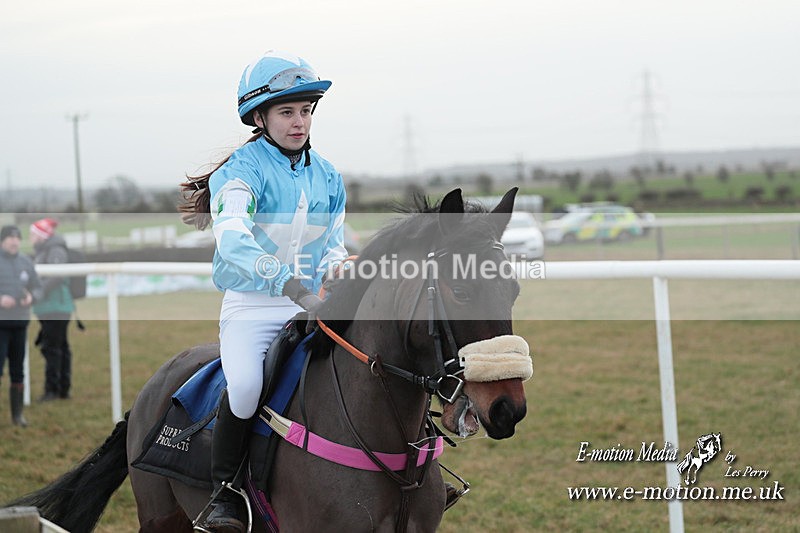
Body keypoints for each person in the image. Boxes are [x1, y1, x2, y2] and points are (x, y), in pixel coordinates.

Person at [180, 50, 347, 533]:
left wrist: (339, 269)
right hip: (252, 306)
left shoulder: (328, 176)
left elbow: (332, 245)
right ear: (259, 118)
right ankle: (225, 493)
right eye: (287, 112)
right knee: (247, 387)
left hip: (310, 301)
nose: (300, 122)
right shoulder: (239, 172)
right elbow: (234, 239)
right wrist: (286, 281)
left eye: (306, 111)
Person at [0, 225, 42, 427]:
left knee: (18, 371)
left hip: (20, 324)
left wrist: (31, 297)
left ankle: (17, 416)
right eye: (10, 237)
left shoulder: (26, 262)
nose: (14, 241)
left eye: (17, 238)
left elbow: (38, 287)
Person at [30, 218, 75, 401]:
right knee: (58, 347)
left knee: (52, 348)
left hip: (56, 307)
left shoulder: (55, 250)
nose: (31, 238)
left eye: (33, 234)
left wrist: (37, 293)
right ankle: (62, 389)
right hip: (52, 306)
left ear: (42, 235)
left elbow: (56, 277)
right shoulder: (47, 250)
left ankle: (53, 390)